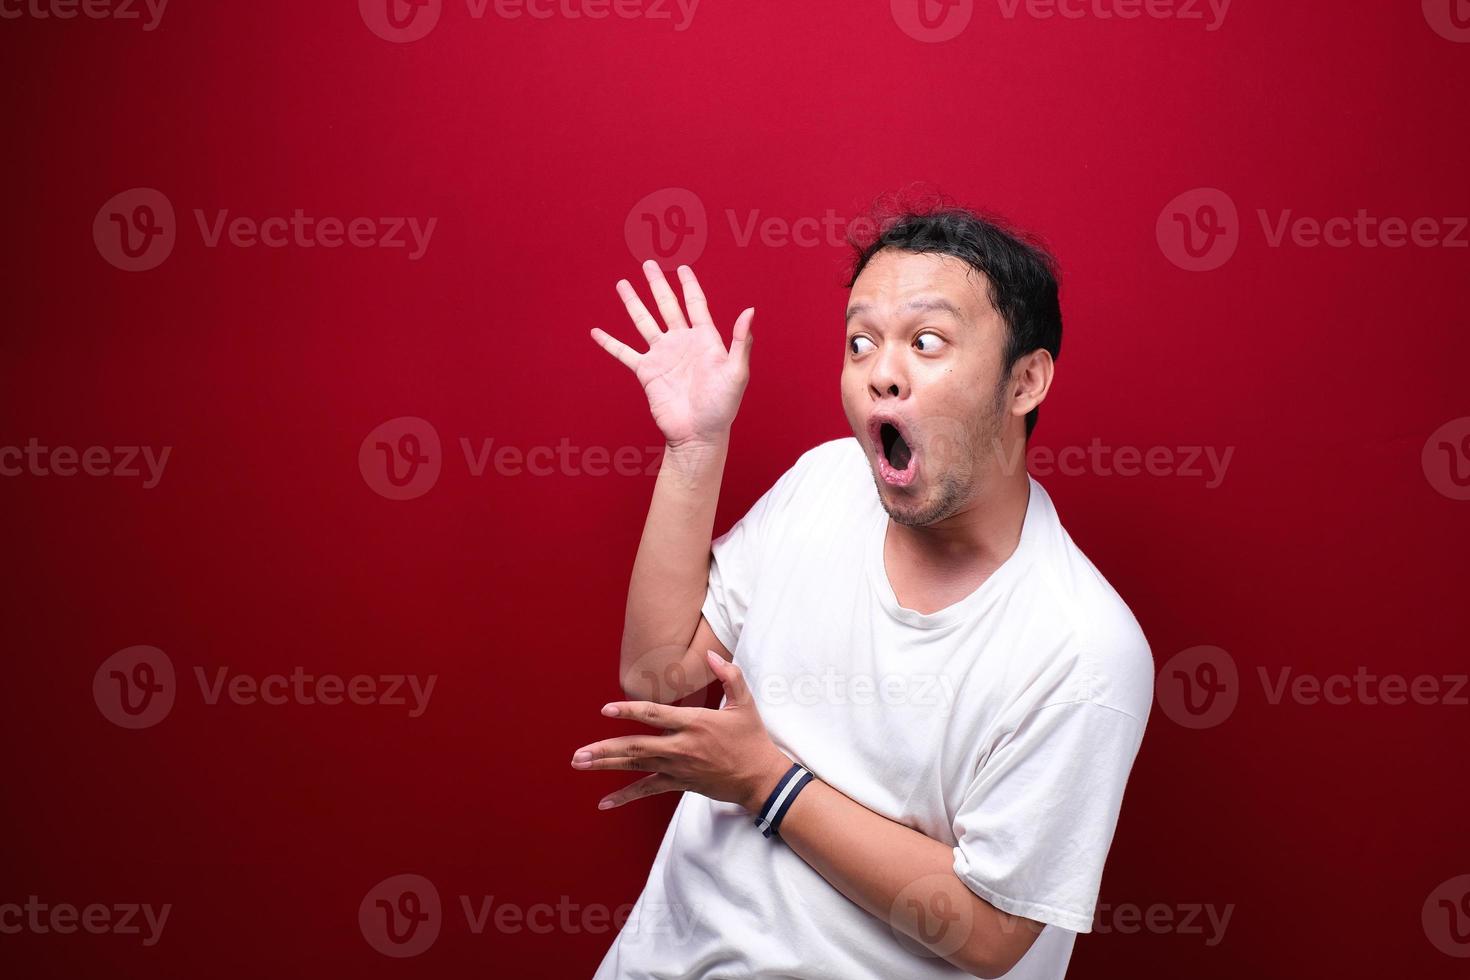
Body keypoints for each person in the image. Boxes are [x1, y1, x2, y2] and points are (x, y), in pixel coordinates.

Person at [574, 204, 1154, 979]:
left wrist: (766, 783)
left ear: (1025, 381)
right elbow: (657, 672)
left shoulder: (1084, 648)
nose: (881, 369)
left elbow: (993, 936)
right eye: (860, 342)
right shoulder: (823, 485)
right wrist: (694, 449)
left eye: (925, 342)